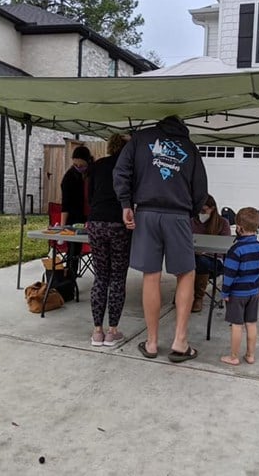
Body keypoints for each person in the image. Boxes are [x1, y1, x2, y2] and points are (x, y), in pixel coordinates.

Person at [113, 115, 208, 363]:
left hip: (146, 213)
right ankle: (180, 341)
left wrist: (125, 204)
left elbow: (121, 171)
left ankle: (152, 343)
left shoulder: (141, 139)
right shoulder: (189, 148)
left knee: (151, 276)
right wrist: (191, 212)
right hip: (178, 215)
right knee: (186, 273)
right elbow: (201, 189)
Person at [87, 134, 132, 347]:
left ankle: (97, 331)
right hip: (118, 224)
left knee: (100, 276)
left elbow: (89, 196)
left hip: (96, 223)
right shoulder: (130, 168)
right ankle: (112, 331)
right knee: (117, 278)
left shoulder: (97, 166)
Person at [220, 207, 259, 366]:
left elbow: (229, 274)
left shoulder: (235, 250)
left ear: (239, 228)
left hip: (237, 294)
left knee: (236, 325)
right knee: (251, 324)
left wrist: (225, 292)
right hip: (253, 292)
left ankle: (234, 356)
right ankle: (250, 355)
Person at [191, 194, 231, 313]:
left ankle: (198, 297)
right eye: (199, 210)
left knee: (200, 262)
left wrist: (204, 251)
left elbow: (225, 247)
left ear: (212, 209)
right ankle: (186, 293)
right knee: (190, 260)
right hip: (193, 257)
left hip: (214, 260)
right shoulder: (191, 221)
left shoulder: (223, 223)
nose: (201, 213)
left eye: (204, 210)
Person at [60, 145, 92, 276]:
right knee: (73, 250)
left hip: (94, 217)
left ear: (88, 162)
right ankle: (70, 281)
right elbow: (65, 205)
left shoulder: (96, 173)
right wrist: (62, 227)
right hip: (75, 218)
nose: (78, 167)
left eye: (81, 165)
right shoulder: (69, 178)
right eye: (75, 165)